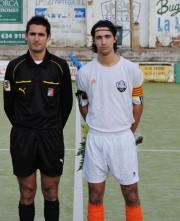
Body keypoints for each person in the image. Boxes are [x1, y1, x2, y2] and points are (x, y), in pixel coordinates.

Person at [3, 16, 73, 221]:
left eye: (41, 34)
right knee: (27, 192)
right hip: (23, 136)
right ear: (26, 36)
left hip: (51, 136)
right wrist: (24, 125)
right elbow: (9, 105)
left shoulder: (60, 67)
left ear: (48, 37)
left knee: (51, 192)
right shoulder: (14, 67)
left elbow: (66, 104)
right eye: (32, 34)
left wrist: (52, 127)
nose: (36, 39)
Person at [75, 20, 144, 221]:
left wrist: (129, 132)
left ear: (115, 38)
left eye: (107, 37)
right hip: (96, 140)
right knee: (95, 196)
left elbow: (138, 105)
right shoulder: (84, 73)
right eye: (98, 37)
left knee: (131, 195)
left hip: (123, 139)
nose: (103, 42)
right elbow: (83, 105)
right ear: (94, 41)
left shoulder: (132, 70)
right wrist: (97, 124)